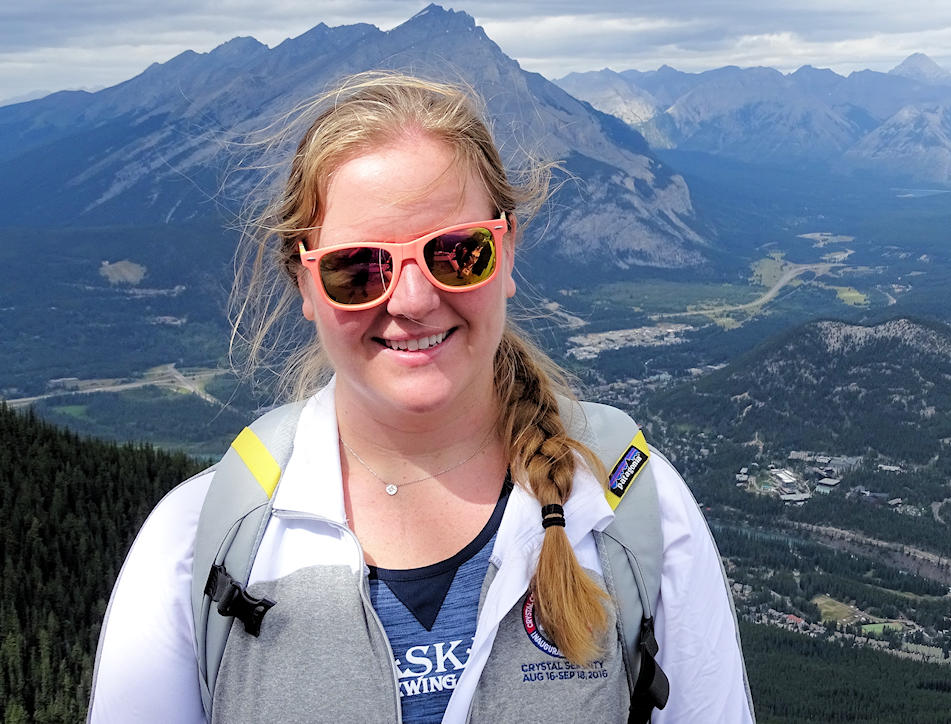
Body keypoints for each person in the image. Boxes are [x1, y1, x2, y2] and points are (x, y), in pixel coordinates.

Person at [88, 73, 754, 723]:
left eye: (458, 254)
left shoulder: (633, 508)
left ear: (508, 250)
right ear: (305, 284)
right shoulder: (195, 541)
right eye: (357, 269)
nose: (411, 300)